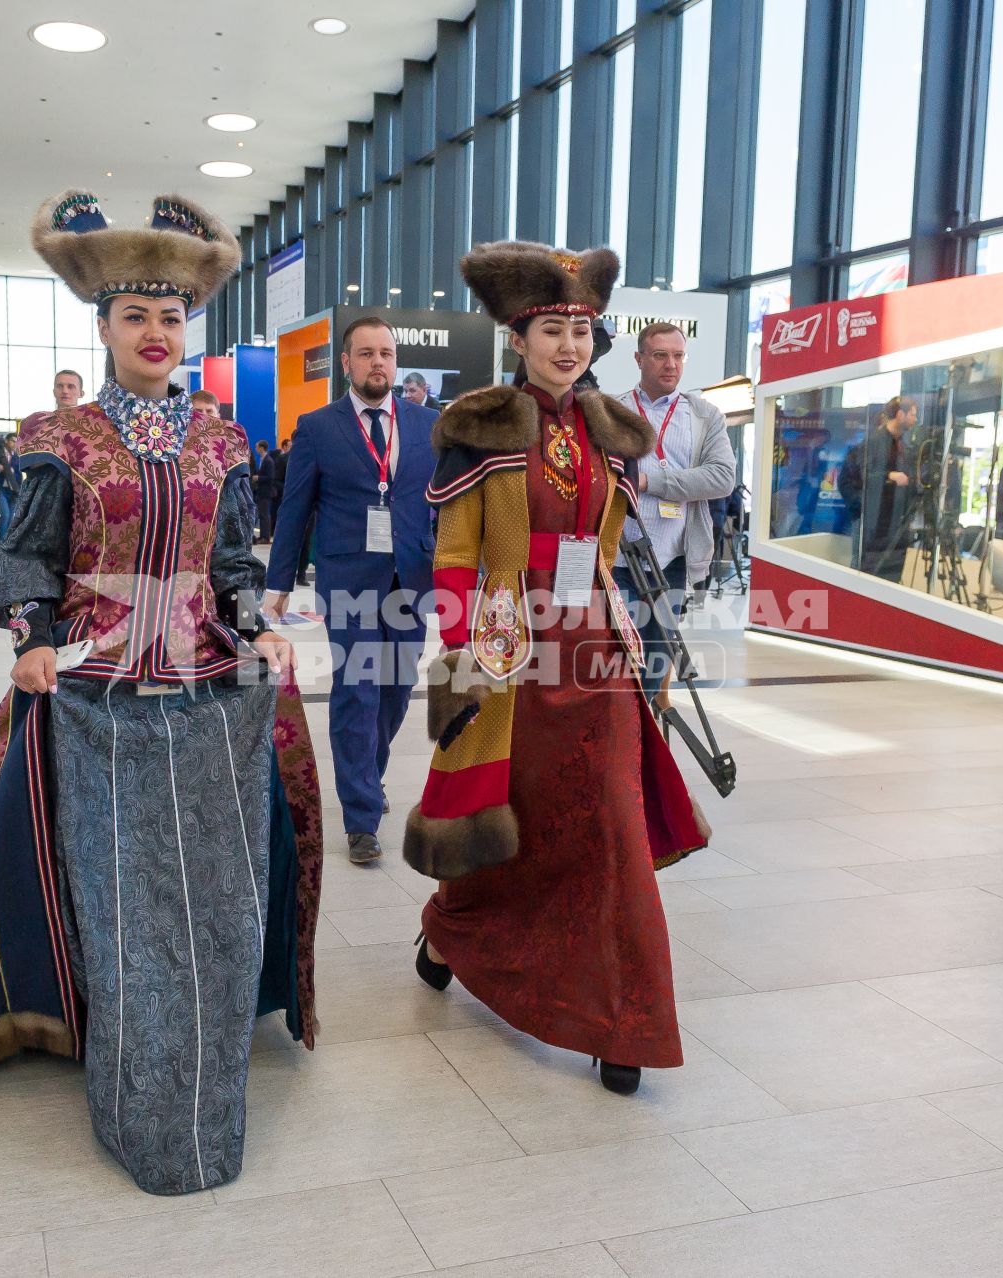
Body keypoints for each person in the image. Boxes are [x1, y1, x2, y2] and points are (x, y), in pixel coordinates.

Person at [0, 189, 325, 1198]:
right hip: (93, 695)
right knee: (124, 903)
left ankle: (207, 1059)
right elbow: (29, 557)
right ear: (103, 326)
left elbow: (238, 563)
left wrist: (262, 623)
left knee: (213, 900)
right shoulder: (57, 437)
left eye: (172, 317)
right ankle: (131, 1080)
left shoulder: (222, 443)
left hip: (208, 695)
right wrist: (33, 639)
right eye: (136, 316)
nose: (157, 333)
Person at [403, 239, 710, 1097]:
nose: (569, 345)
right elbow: (456, 552)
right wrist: (463, 650)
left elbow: (607, 547)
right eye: (551, 329)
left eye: (581, 328)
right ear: (518, 337)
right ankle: (451, 929)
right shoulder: (480, 424)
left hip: (596, 650)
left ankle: (623, 1021)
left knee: (611, 825)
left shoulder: (613, 430)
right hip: (511, 656)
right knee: (521, 831)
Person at [264, 316, 438, 864]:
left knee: (397, 689)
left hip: (410, 577)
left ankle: (369, 774)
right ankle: (361, 816)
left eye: (386, 352)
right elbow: (294, 510)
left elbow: (442, 505)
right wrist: (278, 582)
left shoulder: (428, 425)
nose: (378, 363)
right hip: (347, 580)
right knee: (357, 690)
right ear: (346, 363)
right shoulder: (318, 426)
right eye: (365, 353)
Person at [612, 321, 736, 700]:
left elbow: (722, 478)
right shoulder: (612, 412)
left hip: (673, 559)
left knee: (657, 663)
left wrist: (650, 482)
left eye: (678, 356)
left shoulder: (704, 416)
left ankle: (641, 747)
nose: (671, 364)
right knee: (615, 662)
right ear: (639, 359)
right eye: (660, 355)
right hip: (617, 557)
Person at [842, 397, 916, 582]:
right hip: (870, 521)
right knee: (862, 570)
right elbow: (858, 476)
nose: (915, 419)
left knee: (886, 574)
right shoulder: (873, 443)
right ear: (900, 415)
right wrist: (889, 476)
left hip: (890, 522)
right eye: (913, 414)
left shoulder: (902, 447)